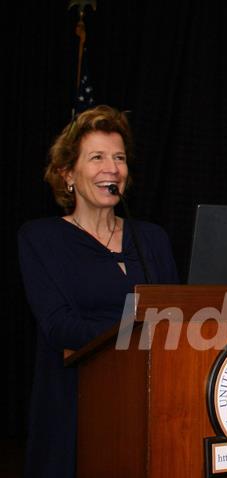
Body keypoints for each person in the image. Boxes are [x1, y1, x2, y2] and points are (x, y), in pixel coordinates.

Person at [18, 105, 179, 477]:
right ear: (67, 173)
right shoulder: (41, 237)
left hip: (149, 401)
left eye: (119, 157)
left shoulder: (152, 238)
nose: (112, 167)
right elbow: (59, 326)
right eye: (97, 157)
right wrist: (140, 333)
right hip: (77, 402)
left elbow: (174, 315)